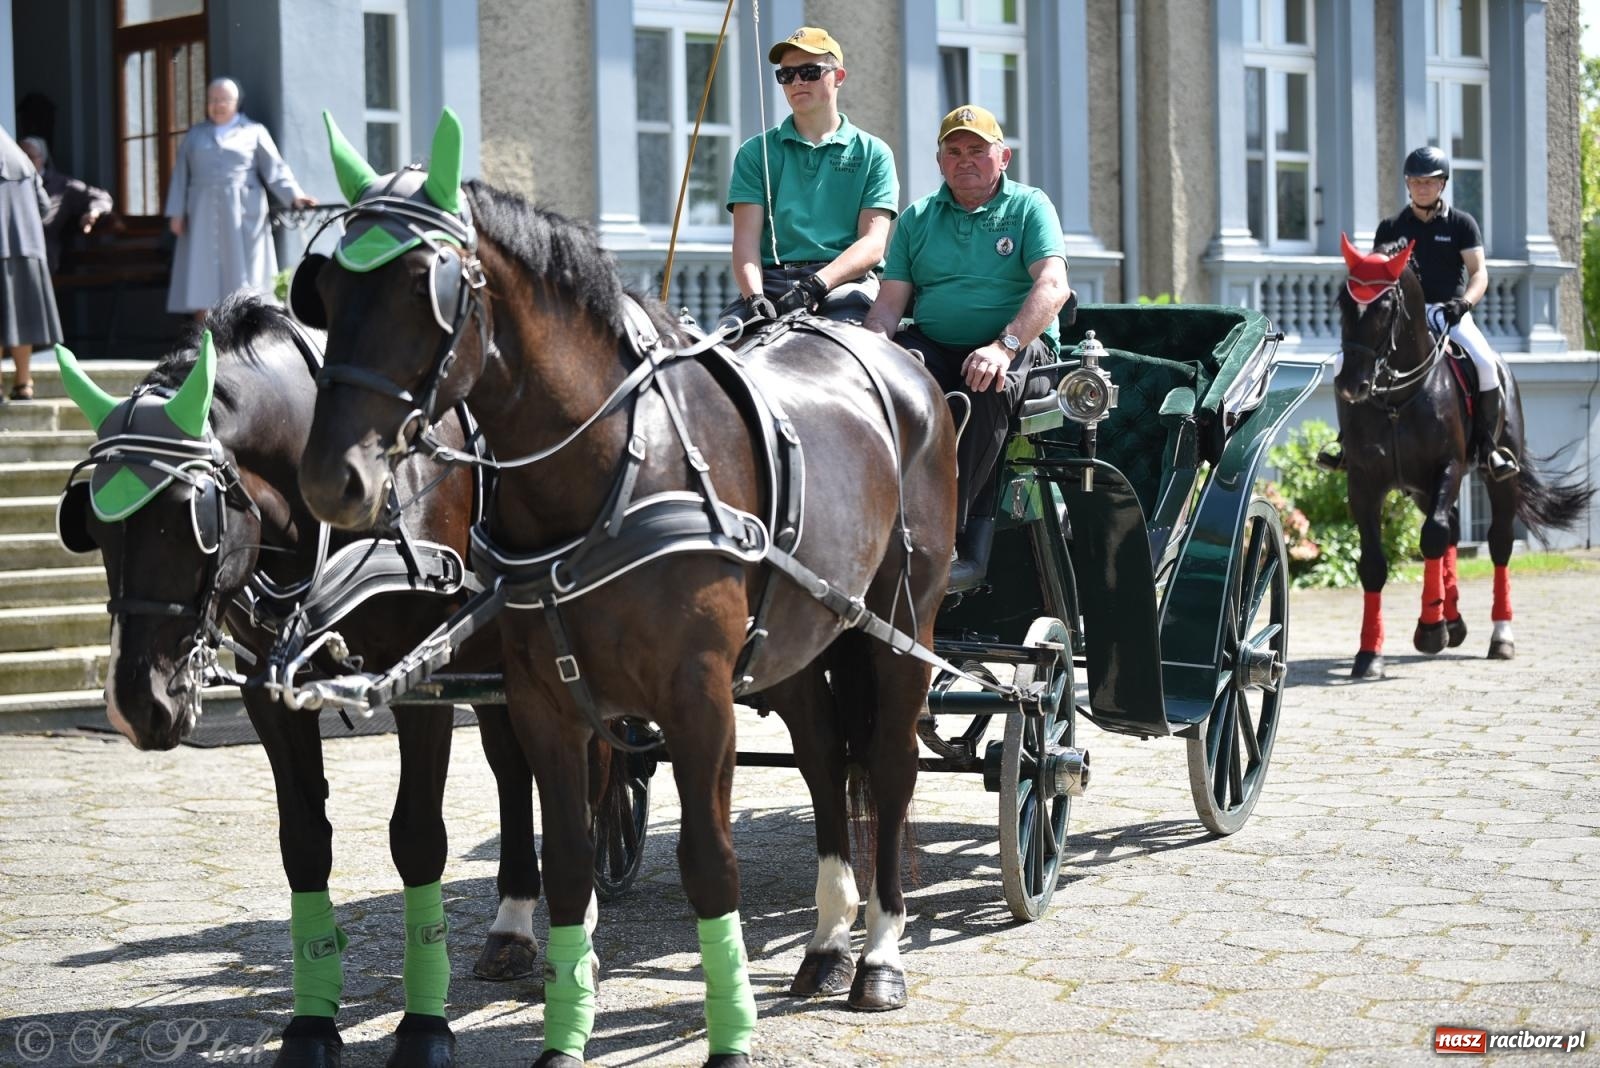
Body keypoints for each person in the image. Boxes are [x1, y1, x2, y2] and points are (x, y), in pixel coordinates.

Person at [863, 104, 1070, 588]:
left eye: (977, 150)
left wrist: (1004, 345)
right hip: (934, 342)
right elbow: (889, 307)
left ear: (1004, 157)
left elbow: (1054, 287)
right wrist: (868, 354)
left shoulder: (1029, 206)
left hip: (1021, 345)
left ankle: (943, 536)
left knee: (984, 384)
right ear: (939, 162)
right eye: (953, 151)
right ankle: (876, 519)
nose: (965, 160)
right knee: (890, 382)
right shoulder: (917, 217)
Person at [1320, 145, 1517, 479]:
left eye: (1430, 182)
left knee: (1485, 363)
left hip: (1448, 313)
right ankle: (1345, 444)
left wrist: (1464, 303)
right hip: (1400, 318)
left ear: (1442, 185)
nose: (1422, 187)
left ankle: (1487, 448)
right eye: (1415, 181)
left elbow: (1479, 273)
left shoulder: (1461, 224)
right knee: (1344, 363)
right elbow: (1375, 276)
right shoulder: (1390, 226)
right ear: (1407, 184)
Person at [721, 26, 899, 325]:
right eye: (786, 75)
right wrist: (754, 297)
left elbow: (872, 245)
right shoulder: (755, 152)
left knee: (856, 355)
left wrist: (817, 284)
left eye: (809, 71)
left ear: (838, 76)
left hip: (846, 285)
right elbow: (745, 242)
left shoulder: (874, 153)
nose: (797, 81)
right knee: (715, 359)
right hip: (771, 284)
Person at [165, 77, 316, 320]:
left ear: (236, 102)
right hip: (202, 211)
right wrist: (176, 212)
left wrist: (295, 196)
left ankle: (241, 334)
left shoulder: (254, 132)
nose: (217, 105)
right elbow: (181, 174)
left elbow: (275, 169)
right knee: (202, 277)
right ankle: (201, 338)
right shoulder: (195, 135)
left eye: (223, 99)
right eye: (213, 100)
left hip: (242, 212)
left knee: (244, 277)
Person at [0, 124, 63, 401]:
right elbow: (43, 205)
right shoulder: (20, 158)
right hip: (28, 249)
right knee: (20, 319)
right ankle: (23, 382)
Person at [19, 135, 113, 273]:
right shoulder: (11, 184)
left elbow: (102, 197)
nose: (24, 161)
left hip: (43, 255)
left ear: (42, 159)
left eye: (29, 156)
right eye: (20, 156)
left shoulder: (62, 185)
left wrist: (93, 212)